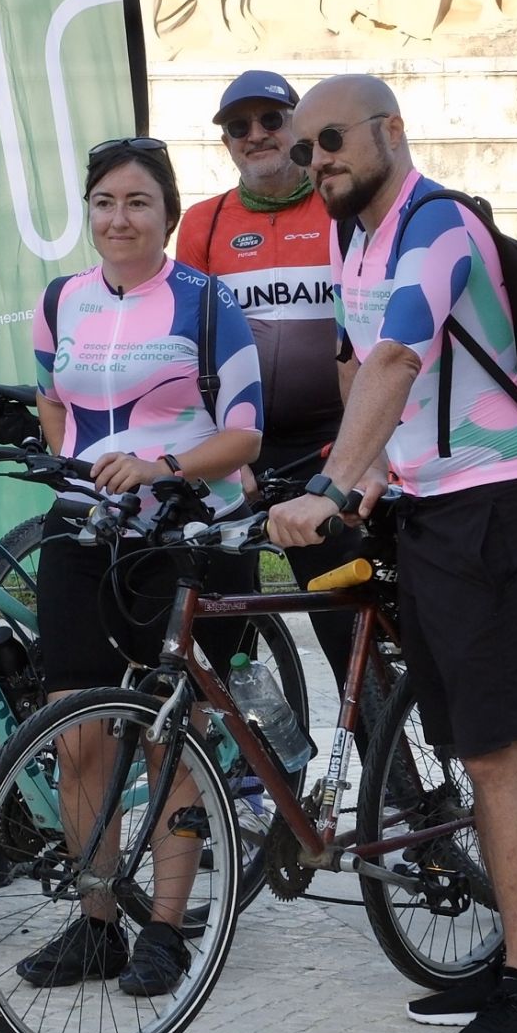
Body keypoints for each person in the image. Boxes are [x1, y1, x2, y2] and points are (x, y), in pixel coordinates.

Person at [267, 74, 517, 1033]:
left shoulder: (436, 227)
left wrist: (332, 479)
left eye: (335, 139)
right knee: (455, 731)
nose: (319, 159)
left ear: (391, 131)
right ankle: (507, 961)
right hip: (431, 504)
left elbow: (399, 358)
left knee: (491, 747)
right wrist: (365, 485)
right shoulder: (353, 234)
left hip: (498, 503)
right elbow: (359, 365)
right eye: (307, 147)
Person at [15, 136, 264, 997]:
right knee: (78, 736)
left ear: (167, 213)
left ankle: (164, 928)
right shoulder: (61, 301)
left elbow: (244, 435)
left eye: (138, 203)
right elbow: (54, 402)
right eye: (104, 204)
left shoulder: (205, 303)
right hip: (84, 534)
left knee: (166, 739)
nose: (119, 220)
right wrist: (86, 470)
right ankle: (96, 925)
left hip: (182, 538)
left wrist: (161, 471)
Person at [176, 69, 362, 684]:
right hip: (240, 446)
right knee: (223, 623)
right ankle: (249, 772)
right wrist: (226, 451)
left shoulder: (338, 207)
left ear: (296, 127)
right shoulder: (204, 222)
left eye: (271, 120)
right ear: (227, 143)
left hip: (328, 443)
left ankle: (396, 776)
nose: (256, 135)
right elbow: (193, 350)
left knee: (344, 622)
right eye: (238, 127)